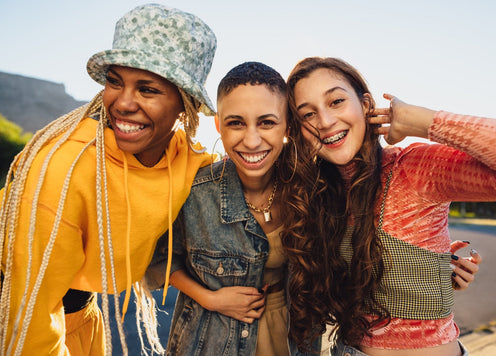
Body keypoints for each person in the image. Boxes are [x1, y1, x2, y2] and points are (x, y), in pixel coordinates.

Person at [0, 4, 217, 355]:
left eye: (147, 89)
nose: (123, 103)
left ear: (185, 104)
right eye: (115, 82)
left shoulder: (184, 156)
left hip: (77, 314)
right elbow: (28, 317)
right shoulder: (64, 171)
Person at [281, 57, 496, 356]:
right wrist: (423, 270)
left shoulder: (413, 168)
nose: (323, 121)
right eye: (308, 113)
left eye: (336, 101)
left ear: (365, 105)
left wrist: (424, 121)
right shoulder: (316, 193)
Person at [145, 61, 302, 355]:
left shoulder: (307, 190)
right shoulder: (193, 192)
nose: (252, 140)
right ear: (218, 125)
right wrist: (208, 298)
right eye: (236, 123)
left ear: (287, 125)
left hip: (290, 334)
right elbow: (158, 258)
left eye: (267, 122)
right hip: (211, 336)